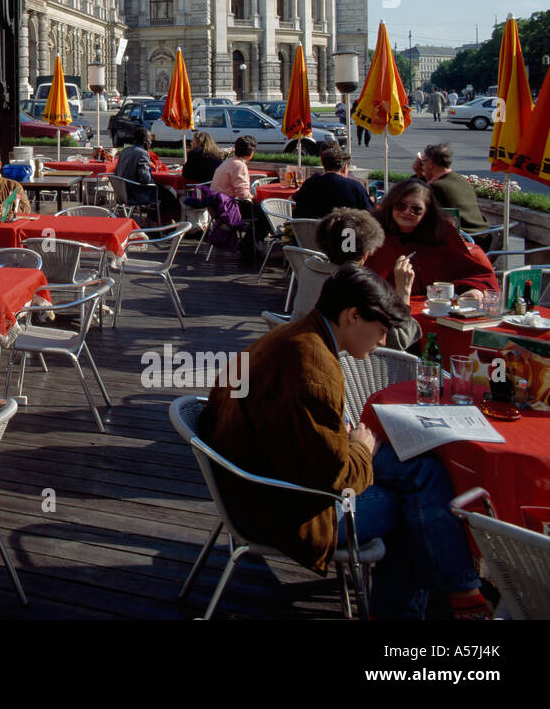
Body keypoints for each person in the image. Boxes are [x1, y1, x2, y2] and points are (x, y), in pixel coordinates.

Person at [200, 265, 486, 620]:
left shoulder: (296, 334)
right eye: (381, 331)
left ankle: (460, 591)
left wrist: (350, 439)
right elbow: (337, 476)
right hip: (286, 508)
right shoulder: (313, 371)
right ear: (352, 316)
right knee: (413, 507)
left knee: (426, 473)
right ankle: (423, 607)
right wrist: (361, 447)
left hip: (257, 477)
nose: (382, 341)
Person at [288, 208, 422, 352]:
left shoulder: (308, 268)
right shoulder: (357, 286)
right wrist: (404, 290)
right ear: (366, 254)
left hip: (302, 349)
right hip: (348, 365)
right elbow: (399, 341)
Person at [364, 179, 498, 300]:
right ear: (391, 205)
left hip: (436, 311)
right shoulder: (372, 232)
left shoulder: (443, 232)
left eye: (416, 209)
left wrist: (474, 290)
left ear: (427, 212)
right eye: (400, 205)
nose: (407, 212)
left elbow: (478, 274)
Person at [414, 143, 488, 245]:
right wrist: (420, 176)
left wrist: (418, 176)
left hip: (465, 240)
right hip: (484, 235)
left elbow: (416, 206)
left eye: (423, 163)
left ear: (430, 163)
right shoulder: (460, 179)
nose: (422, 166)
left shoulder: (437, 187)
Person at [292, 143, 373, 219]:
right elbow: (369, 213)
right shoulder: (354, 187)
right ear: (345, 167)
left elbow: (294, 202)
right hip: (343, 231)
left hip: (307, 231)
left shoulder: (310, 182)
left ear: (323, 165)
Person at [210, 134, 264, 246]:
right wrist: (255, 197)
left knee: (261, 212)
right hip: (227, 208)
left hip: (216, 205)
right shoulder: (239, 165)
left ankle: (248, 244)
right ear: (251, 153)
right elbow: (243, 195)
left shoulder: (229, 161)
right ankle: (248, 246)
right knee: (266, 215)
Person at [115, 129, 180, 221]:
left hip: (121, 193)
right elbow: (145, 179)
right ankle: (163, 224)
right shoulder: (143, 154)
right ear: (145, 141)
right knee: (168, 194)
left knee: (161, 192)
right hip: (135, 194)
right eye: (150, 140)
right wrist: (155, 183)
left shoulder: (124, 152)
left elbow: (116, 172)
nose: (151, 143)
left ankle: (152, 220)